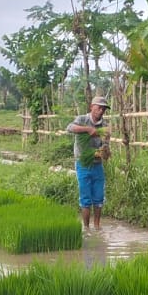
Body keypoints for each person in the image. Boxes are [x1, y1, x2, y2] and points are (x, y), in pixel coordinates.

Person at [66, 96, 111, 229]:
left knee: (99, 197)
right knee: (85, 198)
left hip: (97, 165)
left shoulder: (105, 127)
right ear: (92, 107)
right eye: (99, 107)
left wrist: (104, 152)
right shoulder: (82, 119)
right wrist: (88, 129)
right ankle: (86, 228)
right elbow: (69, 127)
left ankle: (97, 227)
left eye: (104, 109)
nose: (101, 110)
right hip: (83, 164)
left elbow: (106, 146)